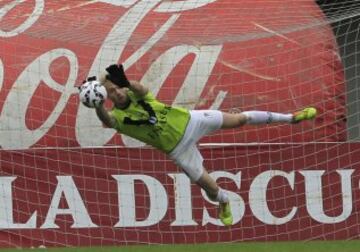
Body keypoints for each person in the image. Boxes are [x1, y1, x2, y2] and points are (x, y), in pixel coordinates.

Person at [85, 64, 317, 227]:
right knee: (209, 187)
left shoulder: (137, 96)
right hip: (177, 150)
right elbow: (107, 120)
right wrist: (96, 106)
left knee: (239, 119)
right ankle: (224, 201)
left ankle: (291, 117)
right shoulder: (118, 117)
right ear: (108, 99)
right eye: (111, 93)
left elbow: (141, 89)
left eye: (118, 88)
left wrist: (125, 81)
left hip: (191, 121)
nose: (116, 93)